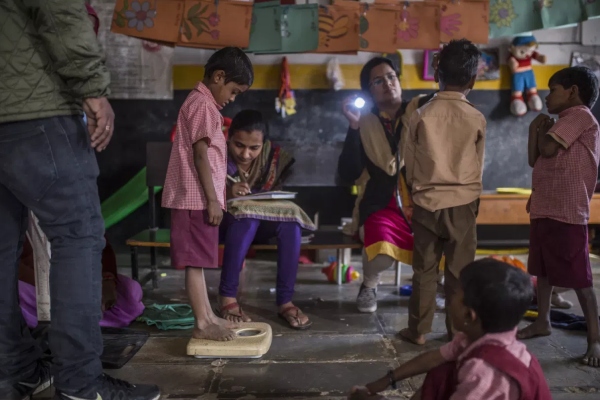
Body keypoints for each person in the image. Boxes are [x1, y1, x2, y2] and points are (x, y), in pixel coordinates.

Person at [349, 258, 552, 400]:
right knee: (441, 373)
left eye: (454, 295)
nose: (449, 300)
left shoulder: (483, 371)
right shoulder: (480, 338)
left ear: (469, 315)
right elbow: (433, 358)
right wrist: (385, 380)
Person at [162, 47, 253, 342]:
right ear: (218, 77)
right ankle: (202, 323)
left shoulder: (204, 105)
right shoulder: (202, 104)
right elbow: (200, 155)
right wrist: (213, 200)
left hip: (197, 197)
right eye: (233, 90)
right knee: (194, 261)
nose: (233, 98)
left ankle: (209, 316)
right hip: (195, 199)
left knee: (198, 260)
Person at [402, 39, 486, 345]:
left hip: (426, 203)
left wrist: (416, 193)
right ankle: (457, 332)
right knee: (460, 274)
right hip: (463, 203)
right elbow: (479, 164)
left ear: (437, 73)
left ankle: (418, 331)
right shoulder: (476, 117)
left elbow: (409, 163)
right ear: (472, 80)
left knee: (424, 271)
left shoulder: (420, 115)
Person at [519, 66, 600, 367]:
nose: (546, 96)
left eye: (552, 90)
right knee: (543, 271)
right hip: (545, 207)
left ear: (573, 92)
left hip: (567, 212)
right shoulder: (562, 121)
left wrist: (541, 132)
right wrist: (533, 130)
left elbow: (548, 149)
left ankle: (595, 339)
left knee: (580, 278)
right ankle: (543, 321)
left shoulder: (579, 115)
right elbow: (535, 159)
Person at [338, 57, 433, 314]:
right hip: (381, 204)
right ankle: (369, 284)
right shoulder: (364, 121)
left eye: (391, 77)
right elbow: (348, 173)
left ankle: (434, 287)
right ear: (368, 91)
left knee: (443, 237)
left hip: (422, 201)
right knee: (381, 247)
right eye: (378, 81)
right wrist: (354, 126)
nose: (388, 84)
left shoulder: (420, 108)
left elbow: (445, 99)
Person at [217, 110, 314, 329]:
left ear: (264, 144)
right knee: (247, 220)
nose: (245, 154)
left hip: (260, 226)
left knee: (291, 224)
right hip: (224, 224)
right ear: (229, 138)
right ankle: (227, 297)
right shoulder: (216, 155)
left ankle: (285, 301)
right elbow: (201, 194)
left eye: (254, 148)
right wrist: (228, 192)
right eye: (239, 145)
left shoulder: (273, 159)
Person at [18, 222, 144, 329]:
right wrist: (61, 288)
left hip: (80, 278)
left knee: (130, 289)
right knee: (18, 292)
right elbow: (14, 264)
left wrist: (107, 280)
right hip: (38, 284)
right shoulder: (15, 210)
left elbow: (100, 247)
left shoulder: (76, 206)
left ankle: (83, 316)